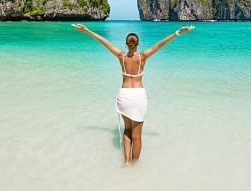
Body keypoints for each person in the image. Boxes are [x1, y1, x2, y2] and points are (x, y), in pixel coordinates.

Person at [71, 23, 195, 166]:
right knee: (137, 135)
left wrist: (86, 30)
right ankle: (135, 166)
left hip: (124, 96)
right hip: (138, 97)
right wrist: (178, 32)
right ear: (138, 44)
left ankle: (126, 162)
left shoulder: (121, 56)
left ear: (126, 43)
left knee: (127, 130)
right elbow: (160, 44)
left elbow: (104, 42)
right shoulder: (143, 56)